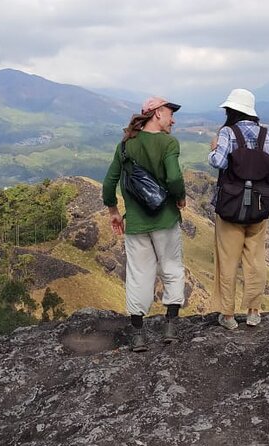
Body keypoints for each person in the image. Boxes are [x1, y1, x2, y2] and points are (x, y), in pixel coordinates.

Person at [208, 88, 269, 330]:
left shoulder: (228, 133)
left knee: (228, 260)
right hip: (259, 205)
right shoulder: (268, 135)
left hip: (231, 204)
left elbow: (218, 162)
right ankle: (253, 312)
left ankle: (228, 316)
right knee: (255, 259)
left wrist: (213, 147)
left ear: (231, 111)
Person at [102, 96, 187, 352]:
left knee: (139, 275)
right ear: (157, 113)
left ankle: (138, 335)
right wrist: (180, 197)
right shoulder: (168, 142)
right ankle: (170, 328)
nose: (173, 119)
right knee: (171, 268)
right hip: (165, 220)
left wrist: (114, 211)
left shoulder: (126, 145)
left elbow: (109, 183)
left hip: (136, 224)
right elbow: (173, 177)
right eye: (170, 113)